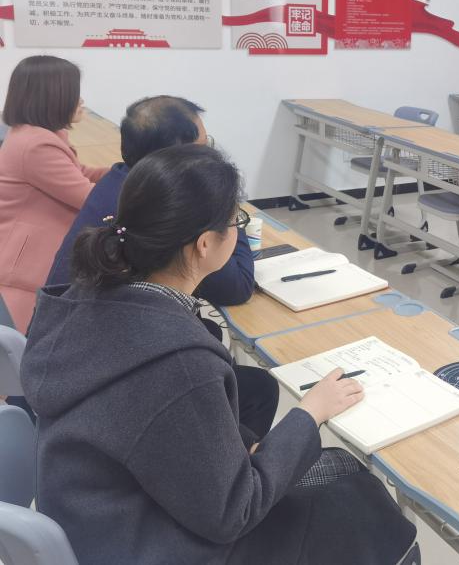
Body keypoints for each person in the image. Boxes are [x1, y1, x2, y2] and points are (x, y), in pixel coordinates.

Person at [21, 145, 418, 565]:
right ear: (205, 244)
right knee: (359, 505)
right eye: (236, 222)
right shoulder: (179, 363)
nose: (238, 231)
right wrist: (310, 413)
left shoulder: (86, 295)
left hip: (90, 518)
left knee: (310, 449)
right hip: (142, 544)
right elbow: (233, 513)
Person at [46, 95, 275, 437]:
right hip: (104, 387)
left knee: (217, 343)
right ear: (179, 155)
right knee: (254, 385)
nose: (209, 155)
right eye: (204, 147)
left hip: (74, 363)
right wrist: (224, 205)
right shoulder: (172, 219)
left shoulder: (121, 184)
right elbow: (238, 286)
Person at [0, 56, 108, 333]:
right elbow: (89, 198)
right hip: (22, 273)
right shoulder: (37, 147)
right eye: (73, 93)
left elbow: (79, 172)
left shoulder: (35, 135)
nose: (80, 101)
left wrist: (124, 170)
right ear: (52, 98)